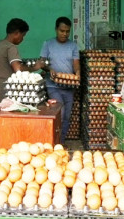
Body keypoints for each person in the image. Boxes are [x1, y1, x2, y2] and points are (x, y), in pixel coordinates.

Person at [40, 16, 81, 144]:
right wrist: (49, 69)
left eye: (67, 31)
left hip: (68, 87)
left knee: (67, 117)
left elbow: (76, 63)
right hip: (53, 86)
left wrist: (78, 72)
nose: (64, 34)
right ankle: (53, 143)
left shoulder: (73, 46)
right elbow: (42, 62)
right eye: (62, 31)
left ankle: (60, 144)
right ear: (56, 29)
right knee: (60, 114)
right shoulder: (48, 44)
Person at [0, 18, 44, 105]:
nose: (23, 39)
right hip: (9, 94)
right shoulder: (11, 47)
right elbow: (18, 69)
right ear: (16, 33)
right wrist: (35, 67)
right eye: (23, 35)